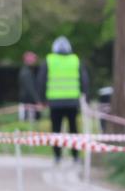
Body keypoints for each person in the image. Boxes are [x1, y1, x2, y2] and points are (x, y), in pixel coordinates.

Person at [37, 36, 90, 164]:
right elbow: (84, 80)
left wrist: (41, 99)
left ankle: (57, 156)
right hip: (72, 102)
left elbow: (41, 81)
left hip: (55, 102)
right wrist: (85, 96)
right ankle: (75, 156)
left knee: (56, 130)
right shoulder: (75, 60)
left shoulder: (49, 60)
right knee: (73, 130)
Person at [18, 51, 41, 122]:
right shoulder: (26, 72)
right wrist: (37, 100)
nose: (35, 60)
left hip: (28, 102)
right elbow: (30, 89)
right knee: (28, 124)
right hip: (28, 103)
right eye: (33, 58)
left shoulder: (27, 71)